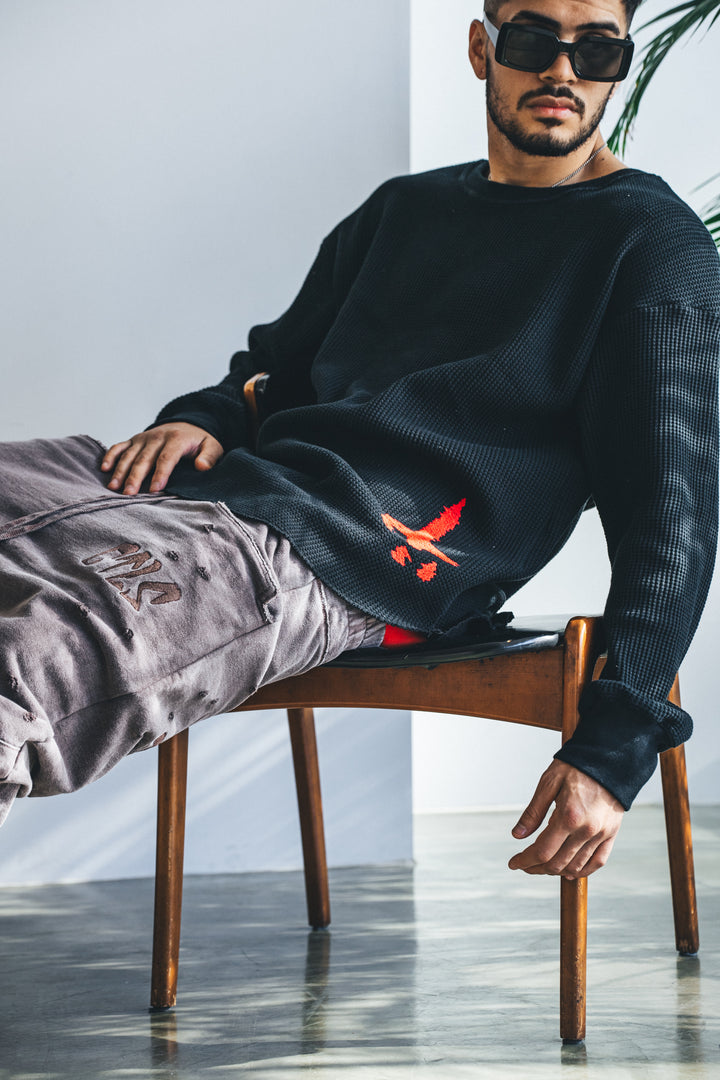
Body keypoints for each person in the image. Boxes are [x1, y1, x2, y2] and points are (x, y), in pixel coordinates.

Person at [1, 0, 718, 882]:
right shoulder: (402, 212)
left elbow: (672, 514)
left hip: (355, 558)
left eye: (598, 49)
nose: (563, 71)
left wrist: (616, 745)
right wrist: (206, 417)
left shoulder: (650, 246)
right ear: (481, 47)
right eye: (534, 39)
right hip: (234, 491)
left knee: (32, 660)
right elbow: (273, 368)